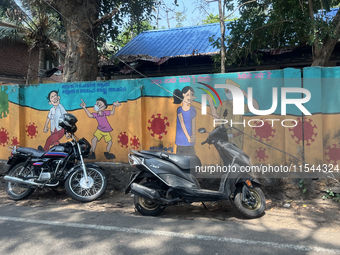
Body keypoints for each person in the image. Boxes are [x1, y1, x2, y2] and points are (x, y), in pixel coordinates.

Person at [208, 79, 259, 150]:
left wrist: (246, 95)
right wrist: (210, 101)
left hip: (237, 139)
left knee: (237, 159)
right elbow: (216, 119)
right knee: (224, 160)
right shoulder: (223, 104)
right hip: (223, 139)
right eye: (227, 91)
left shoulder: (240, 104)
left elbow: (256, 108)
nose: (229, 93)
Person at [173, 86, 197, 155]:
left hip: (190, 142)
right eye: (188, 95)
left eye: (192, 95)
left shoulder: (193, 109)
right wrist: (188, 138)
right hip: (181, 142)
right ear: (183, 95)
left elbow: (193, 124)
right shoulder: (179, 109)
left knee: (192, 161)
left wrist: (193, 136)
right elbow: (182, 124)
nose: (190, 97)